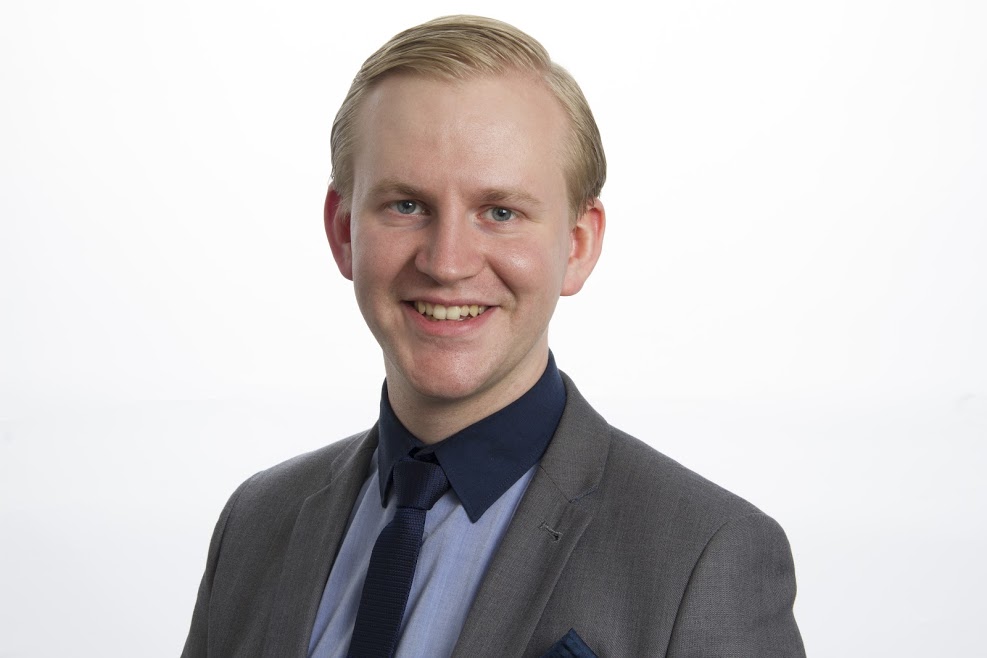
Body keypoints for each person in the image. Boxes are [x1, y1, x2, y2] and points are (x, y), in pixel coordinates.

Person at [182, 15, 805, 658]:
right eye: (406, 205)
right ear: (343, 232)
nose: (447, 263)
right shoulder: (255, 523)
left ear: (578, 245)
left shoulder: (705, 558)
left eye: (500, 212)